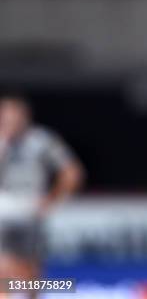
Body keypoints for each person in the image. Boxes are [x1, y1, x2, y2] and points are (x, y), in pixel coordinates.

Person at [0, 93, 84, 285]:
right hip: (2, 211)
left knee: (31, 270)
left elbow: (72, 172)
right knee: (3, 267)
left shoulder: (41, 141)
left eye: (14, 116)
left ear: (24, 116)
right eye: (5, 116)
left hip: (30, 210)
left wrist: (51, 199)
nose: (9, 121)